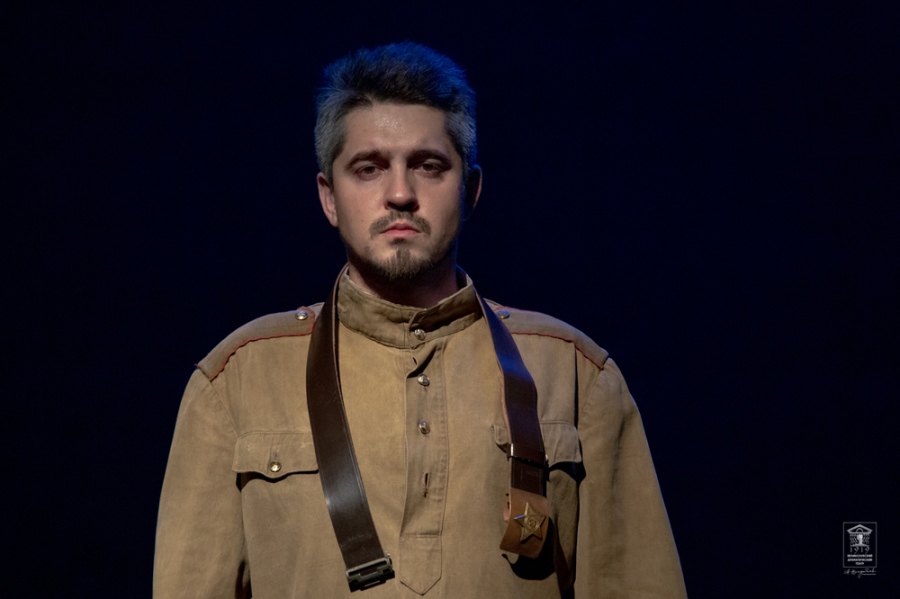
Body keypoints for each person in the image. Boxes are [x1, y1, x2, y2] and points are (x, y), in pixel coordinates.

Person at [154, 42, 687, 598]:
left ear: (470, 190)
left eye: (429, 166)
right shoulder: (235, 382)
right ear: (329, 197)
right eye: (369, 168)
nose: (400, 194)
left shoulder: (576, 376)